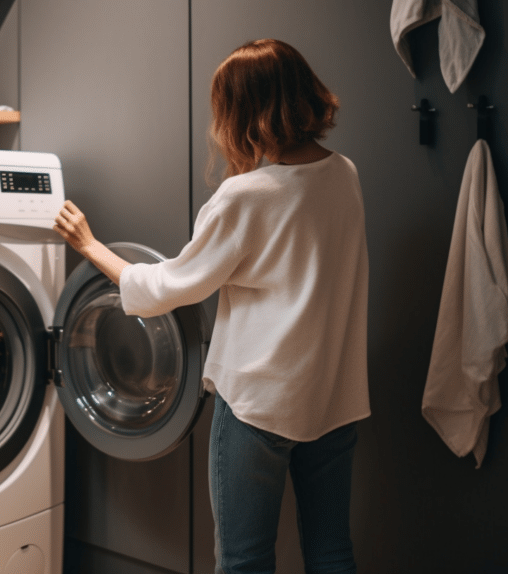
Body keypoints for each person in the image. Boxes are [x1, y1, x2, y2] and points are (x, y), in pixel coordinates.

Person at [54, 39, 369, 574]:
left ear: (244, 113)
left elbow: (165, 288)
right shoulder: (344, 173)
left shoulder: (246, 196)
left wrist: (88, 245)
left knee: (244, 560)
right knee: (331, 550)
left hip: (258, 404)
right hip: (334, 395)